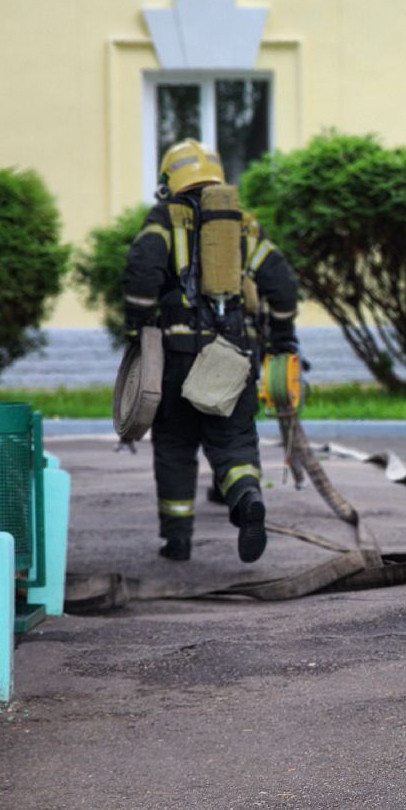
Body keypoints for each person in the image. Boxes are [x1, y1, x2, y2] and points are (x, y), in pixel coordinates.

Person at [122, 138, 299, 563]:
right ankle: (246, 498)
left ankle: (178, 540)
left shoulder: (164, 218)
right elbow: (282, 284)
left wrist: (139, 328)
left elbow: (142, 270)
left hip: (176, 354)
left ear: (169, 180)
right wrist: (281, 339)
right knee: (234, 441)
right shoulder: (241, 223)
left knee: (175, 444)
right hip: (232, 352)